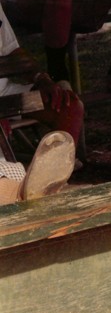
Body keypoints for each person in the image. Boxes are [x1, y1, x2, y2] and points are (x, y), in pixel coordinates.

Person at [0, 11, 83, 204]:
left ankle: (54, 181)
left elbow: (13, 51)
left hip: (6, 93)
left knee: (69, 106)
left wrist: (41, 79)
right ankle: (24, 191)